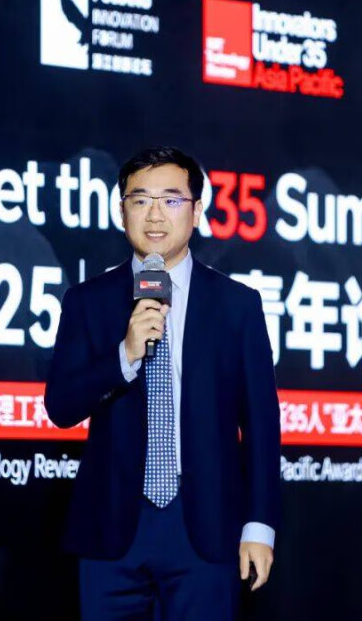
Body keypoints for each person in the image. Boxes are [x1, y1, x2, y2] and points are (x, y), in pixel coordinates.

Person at [45, 146, 281, 621]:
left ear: (197, 210)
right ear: (122, 211)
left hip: (205, 527)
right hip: (112, 528)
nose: (155, 215)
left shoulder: (237, 305)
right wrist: (124, 355)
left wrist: (259, 526)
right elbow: (62, 406)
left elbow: (261, 425)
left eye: (171, 200)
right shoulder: (87, 301)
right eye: (140, 200)